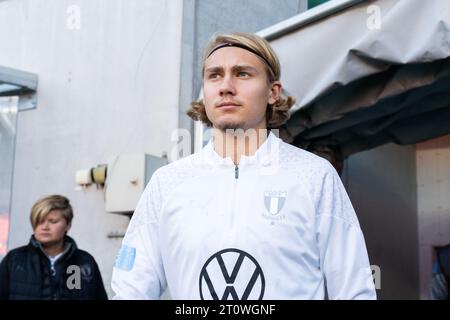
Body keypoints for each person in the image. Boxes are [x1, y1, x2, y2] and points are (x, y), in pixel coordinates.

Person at [111, 32, 376, 300]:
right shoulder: (166, 183)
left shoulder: (314, 176)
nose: (226, 86)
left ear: (273, 92)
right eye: (214, 75)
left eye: (242, 74)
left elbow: (354, 290)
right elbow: (131, 292)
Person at [0, 195, 108, 300]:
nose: (45, 227)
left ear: (68, 224)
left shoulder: (84, 262)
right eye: (39, 221)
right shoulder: (14, 260)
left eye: (53, 221)